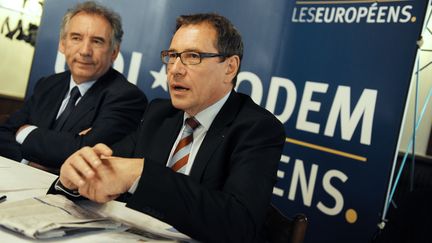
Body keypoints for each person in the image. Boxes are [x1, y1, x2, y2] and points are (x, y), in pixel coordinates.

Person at [51, 13, 285, 242]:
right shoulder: (159, 114)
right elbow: (108, 170)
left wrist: (141, 174)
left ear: (230, 68)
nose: (175, 69)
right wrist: (73, 179)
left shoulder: (257, 129)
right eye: (172, 56)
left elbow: (239, 226)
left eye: (193, 56)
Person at [0, 1, 147, 171]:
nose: (85, 51)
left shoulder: (127, 97)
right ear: (62, 44)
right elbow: (3, 134)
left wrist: (24, 132)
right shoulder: (48, 84)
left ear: (114, 52)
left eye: (97, 41)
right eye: (76, 38)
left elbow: (82, 153)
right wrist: (26, 161)